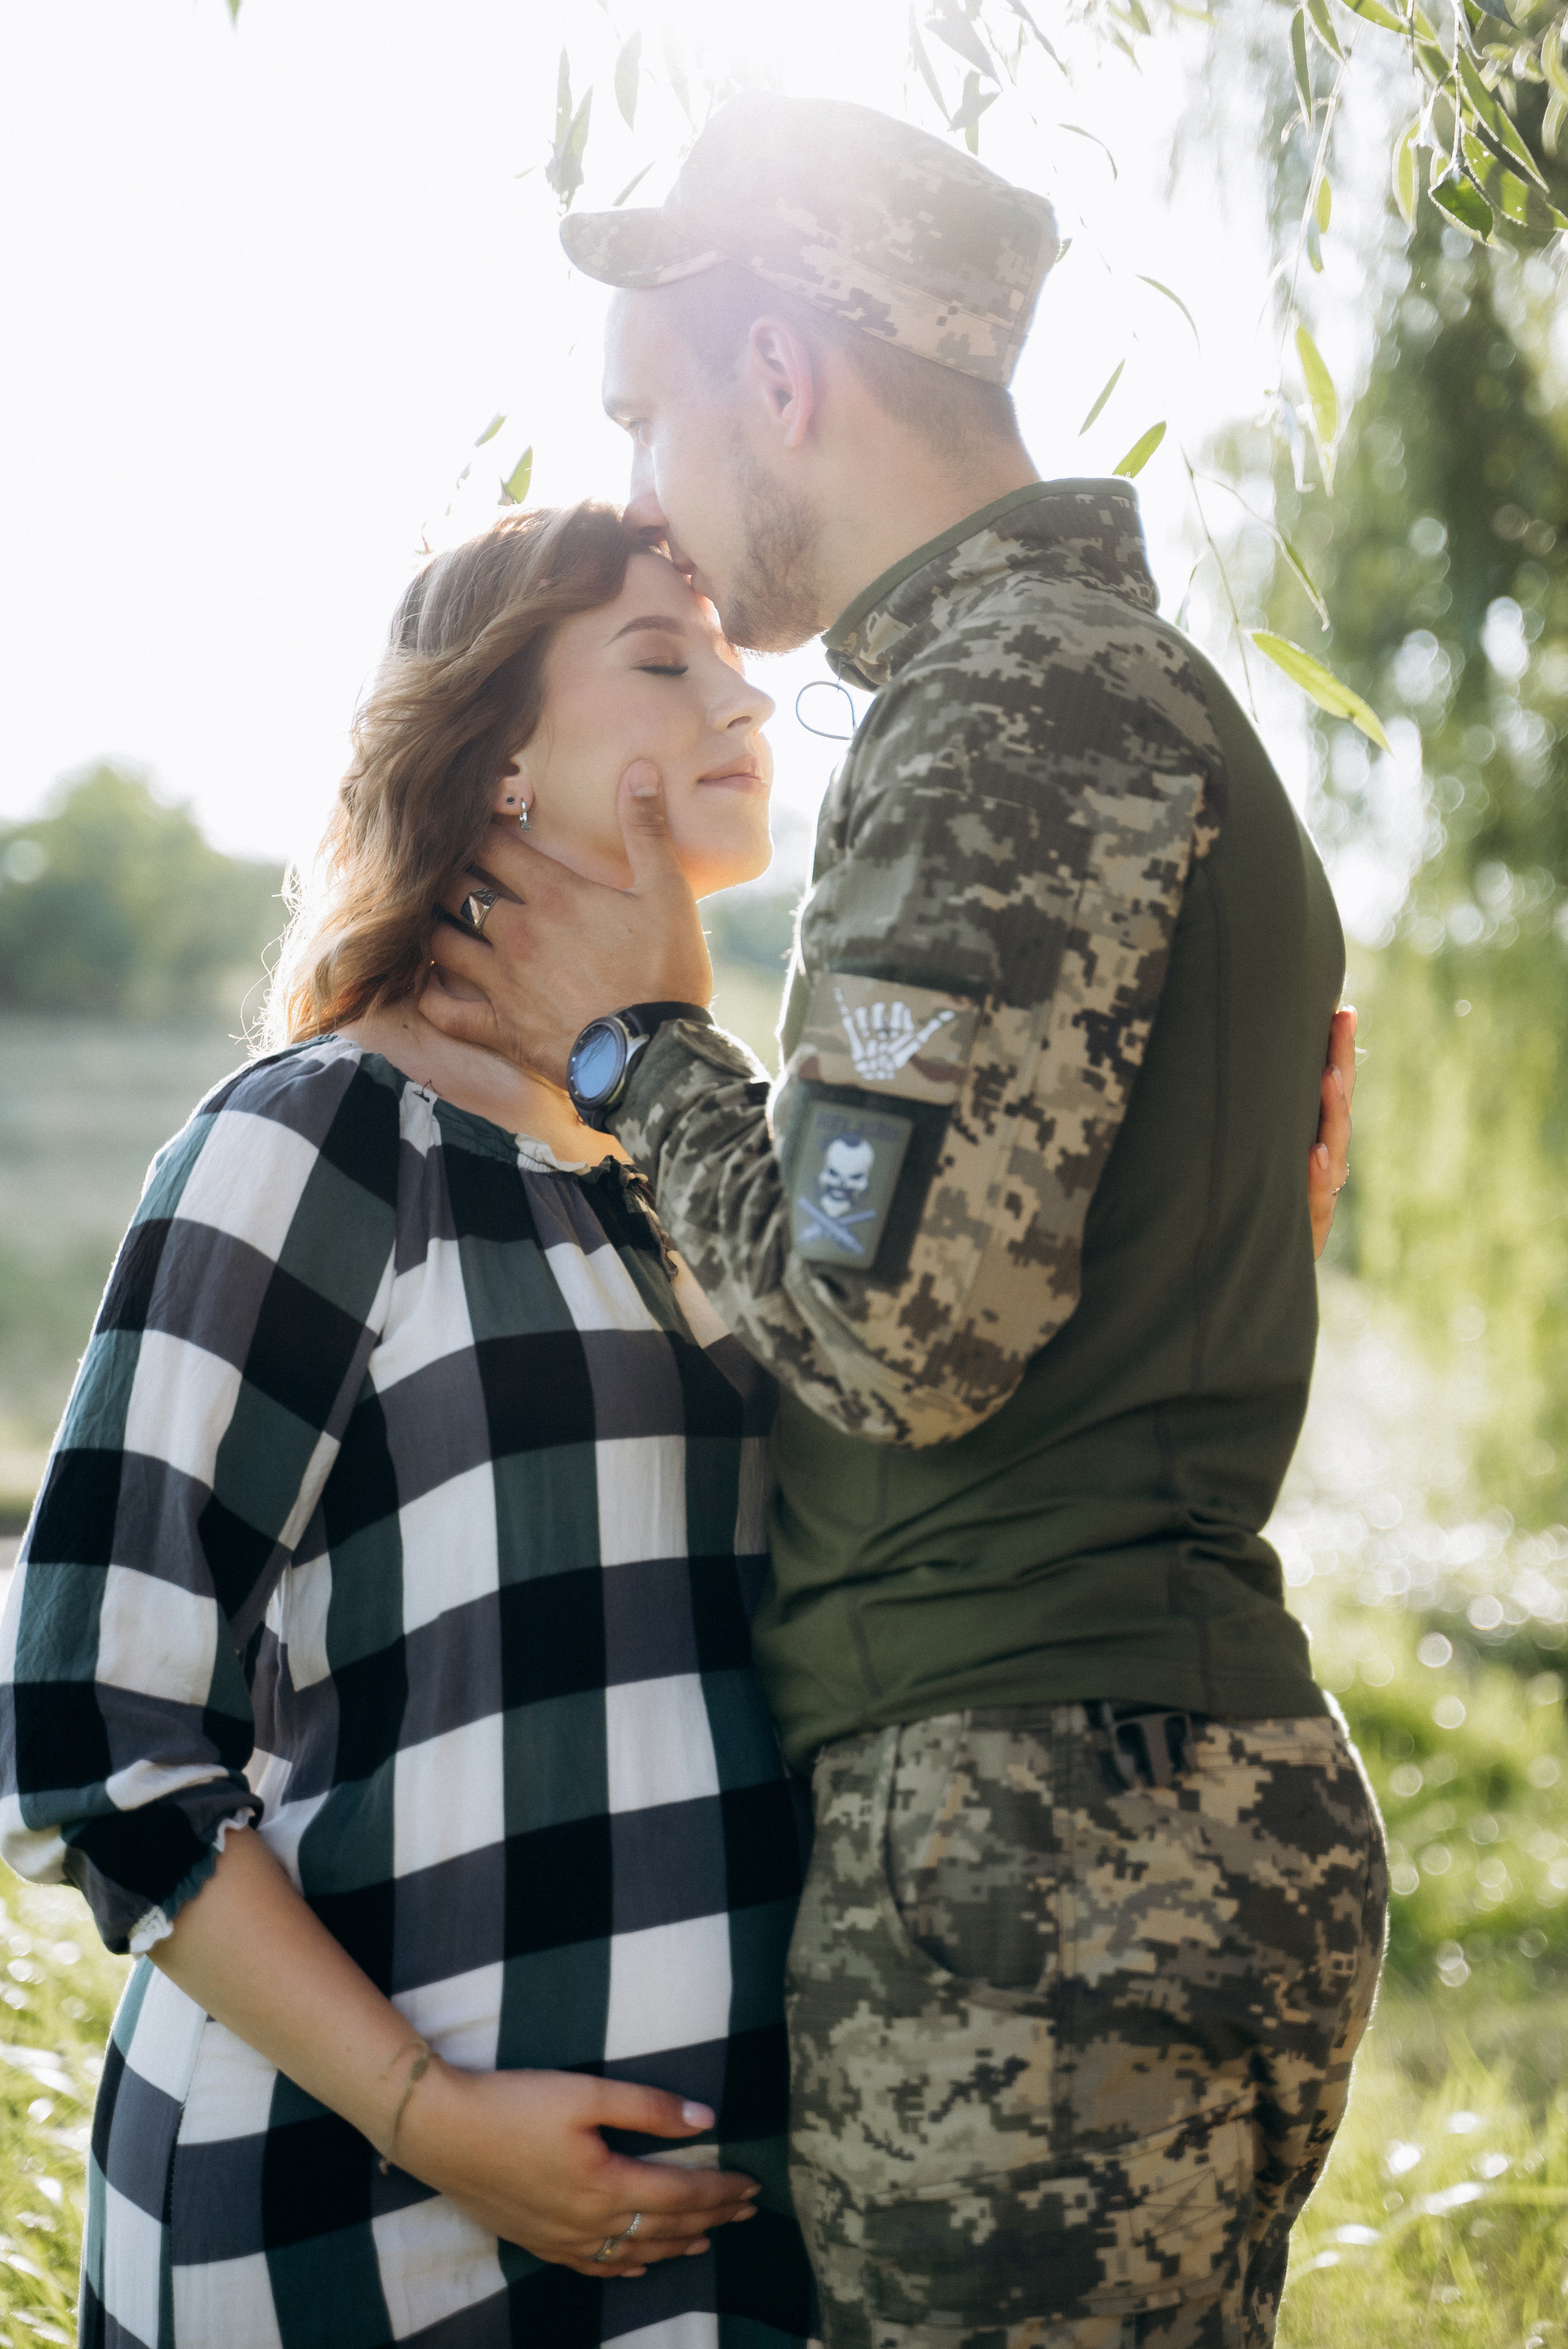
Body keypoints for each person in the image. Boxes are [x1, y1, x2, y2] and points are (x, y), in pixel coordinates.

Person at [417, 96, 1386, 2349]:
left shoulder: (1002, 708)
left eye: (652, 412)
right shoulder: (1098, 698)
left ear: (782, 377)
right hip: (1119, 1803)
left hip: (1035, 1843)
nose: (647, 489)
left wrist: (631, 1043)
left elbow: (887, 1335)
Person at [0, 504, 821, 2349]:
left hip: (701, 2249)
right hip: (347, 2231)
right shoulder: (322, 1141)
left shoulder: (715, 1168)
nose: (739, 689)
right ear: (504, 759)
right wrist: (429, 2115)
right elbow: (89, 1730)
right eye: (663, 655)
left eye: (731, 652)